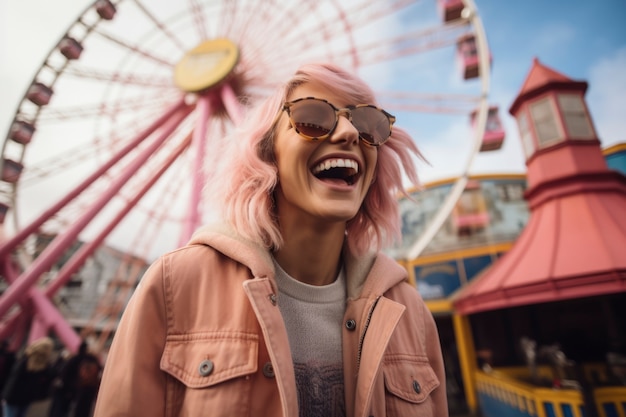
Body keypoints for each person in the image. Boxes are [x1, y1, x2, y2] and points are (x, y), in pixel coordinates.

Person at [94, 62, 448, 416]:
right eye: (312, 118)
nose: (348, 133)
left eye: (369, 124)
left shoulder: (409, 312)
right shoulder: (175, 285)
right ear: (267, 155)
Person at [2, 337, 54, 417]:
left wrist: (5, 397)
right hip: (27, 398)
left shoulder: (24, 361)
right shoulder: (45, 366)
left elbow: (13, 381)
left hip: (13, 397)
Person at [49, 341, 101, 417]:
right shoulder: (95, 361)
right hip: (89, 389)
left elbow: (65, 373)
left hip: (69, 389)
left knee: (60, 410)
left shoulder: (75, 358)